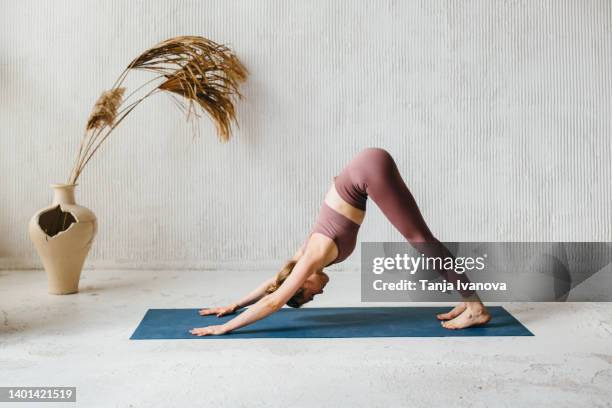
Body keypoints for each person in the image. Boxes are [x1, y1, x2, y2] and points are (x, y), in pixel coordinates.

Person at [190, 148, 491, 336]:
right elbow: (273, 284)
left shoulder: (313, 256)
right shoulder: (301, 256)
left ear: (303, 282)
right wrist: (234, 304)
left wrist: (225, 327)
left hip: (367, 172)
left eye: (311, 295)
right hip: (364, 167)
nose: (320, 292)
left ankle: (476, 308)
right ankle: (466, 300)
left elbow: (275, 298)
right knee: (422, 240)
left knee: (422, 240)